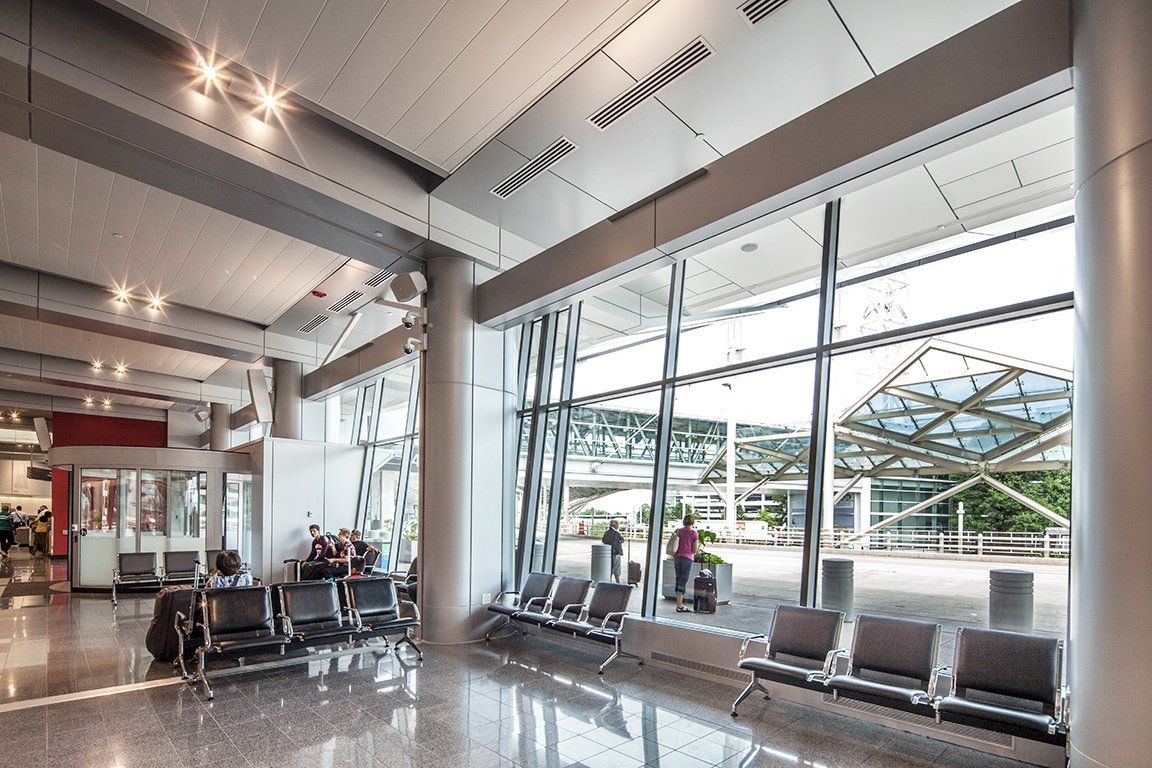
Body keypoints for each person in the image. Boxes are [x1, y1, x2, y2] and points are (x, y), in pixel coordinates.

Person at [671, 514, 699, 613]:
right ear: (692, 522)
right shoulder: (694, 533)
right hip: (687, 559)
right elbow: (695, 550)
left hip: (677, 557)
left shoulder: (678, 531)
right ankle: (679, 605)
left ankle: (679, 603)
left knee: (678, 579)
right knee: (683, 580)